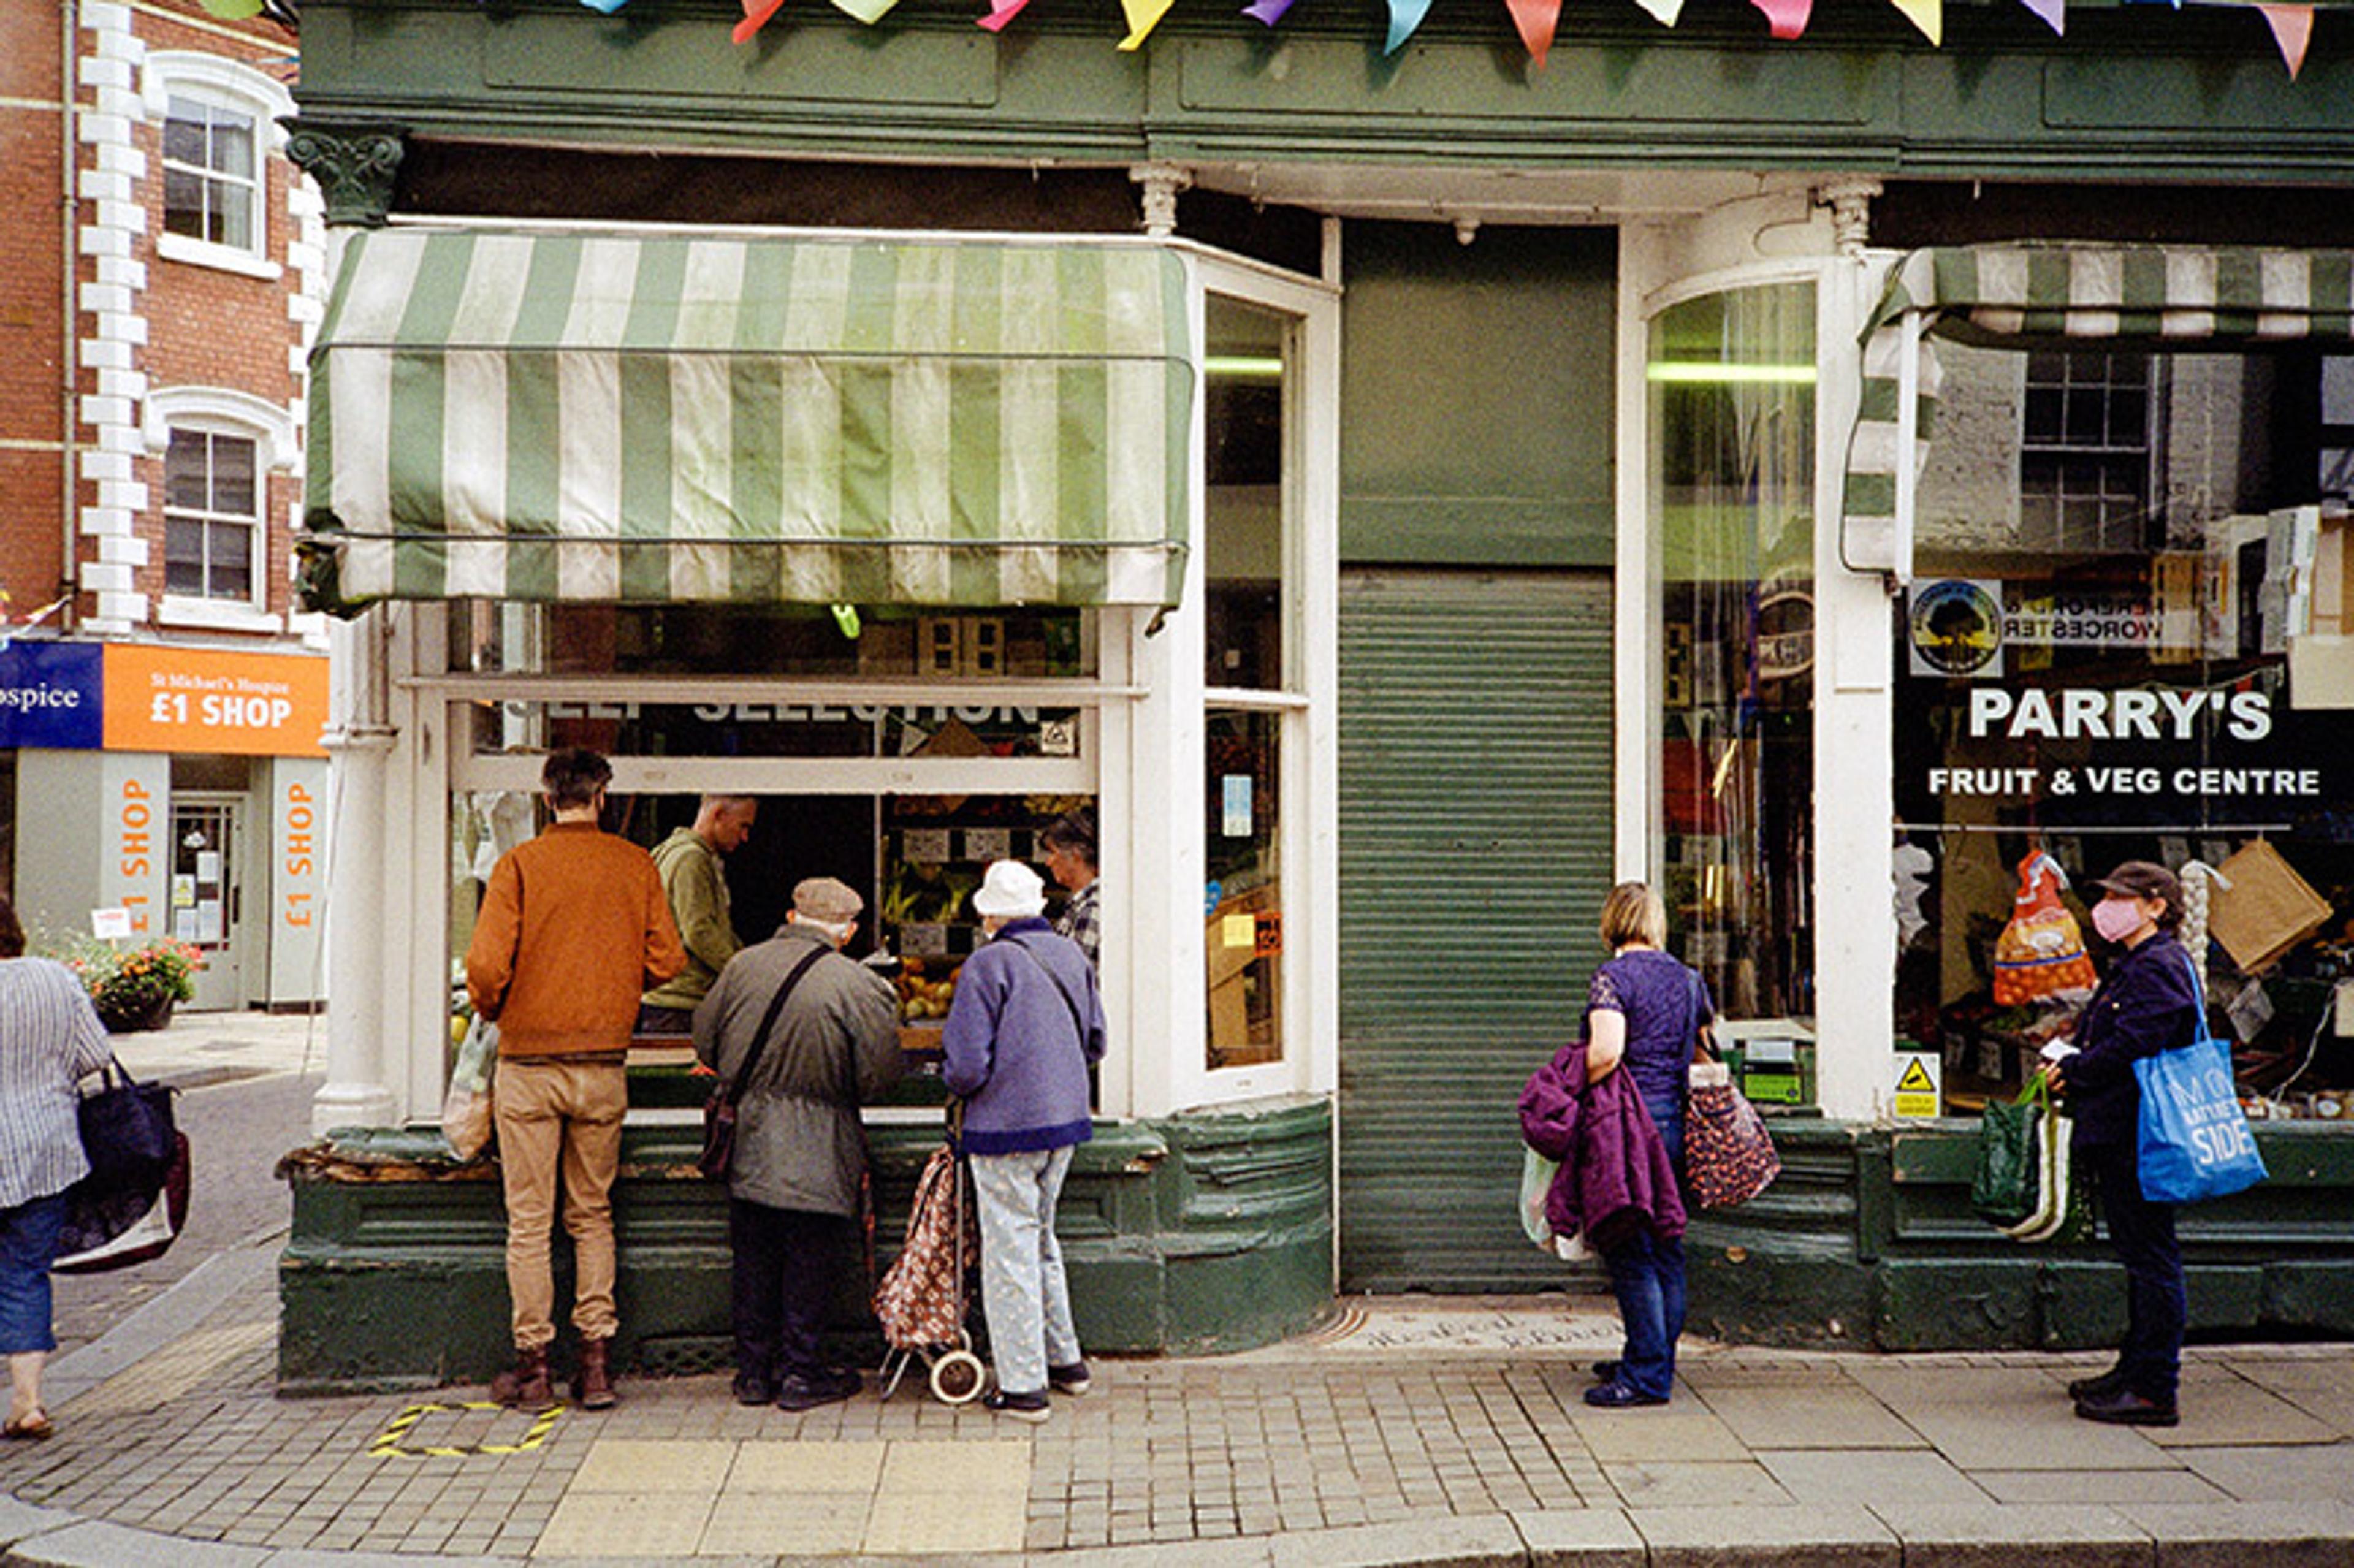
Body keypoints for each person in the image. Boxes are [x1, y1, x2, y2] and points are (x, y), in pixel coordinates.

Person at [467, 747, 686, 1413]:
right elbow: (669, 957)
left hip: (528, 1068)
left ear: (546, 796)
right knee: (593, 1214)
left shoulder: (520, 866)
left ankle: (533, 1370)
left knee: (530, 1223)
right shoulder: (634, 863)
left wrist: (498, 1006)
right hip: (602, 1066)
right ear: (603, 795)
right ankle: (596, 1367)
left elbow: (483, 966)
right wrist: (617, 983)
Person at [693, 877, 902, 1412]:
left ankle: (754, 1375)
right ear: (849, 931)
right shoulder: (860, 986)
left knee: (755, 1258)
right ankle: (801, 1373)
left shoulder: (741, 967)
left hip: (750, 1142)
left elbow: (706, 1040)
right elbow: (879, 1079)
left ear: (791, 916)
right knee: (810, 1260)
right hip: (821, 1143)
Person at [941, 859, 1107, 1422]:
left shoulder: (987, 965)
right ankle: (1067, 1363)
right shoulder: (1069, 955)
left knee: (1010, 1253)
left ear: (989, 914)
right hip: (1064, 1122)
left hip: (1005, 1129)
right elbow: (1096, 1041)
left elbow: (965, 1066)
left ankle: (1023, 1386)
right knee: (1041, 1242)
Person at [2042, 860, 2197, 1427]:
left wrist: (2078, 1069)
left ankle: (2156, 1388)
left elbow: (2137, 1043)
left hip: (2143, 1133)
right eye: (2106, 896)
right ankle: (2133, 1369)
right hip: (2122, 1129)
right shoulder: (2135, 962)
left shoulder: (2159, 965)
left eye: (2122, 897)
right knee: (2139, 1255)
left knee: (2152, 1258)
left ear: (2157, 905)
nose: (2107, 907)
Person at [1580, 881, 1710, 1409]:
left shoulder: (1612, 978)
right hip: (1677, 1124)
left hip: (1628, 1127)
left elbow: (1607, 1052)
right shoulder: (1688, 979)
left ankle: (1646, 1377)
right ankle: (1652, 1355)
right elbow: (1701, 1055)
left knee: (1630, 1248)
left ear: (1613, 921)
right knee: (1666, 1247)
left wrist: (1576, 1078)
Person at [0, 896, 113, 1442]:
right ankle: (28, 1402)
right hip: (44, 1148)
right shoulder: (54, 978)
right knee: (24, 1272)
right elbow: (95, 1054)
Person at [639, 795, 758, 1036]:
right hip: (680, 1005)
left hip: (669, 1000)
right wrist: (746, 973)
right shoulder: (692, 859)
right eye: (742, 826)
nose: (745, 837)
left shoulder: (670, 851)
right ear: (718, 815)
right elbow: (699, 931)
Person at [1040, 809, 1100, 974]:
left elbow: (1074, 977)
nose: (1048, 862)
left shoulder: (1092, 908)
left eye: (1053, 853)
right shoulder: (1080, 905)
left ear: (1075, 856)